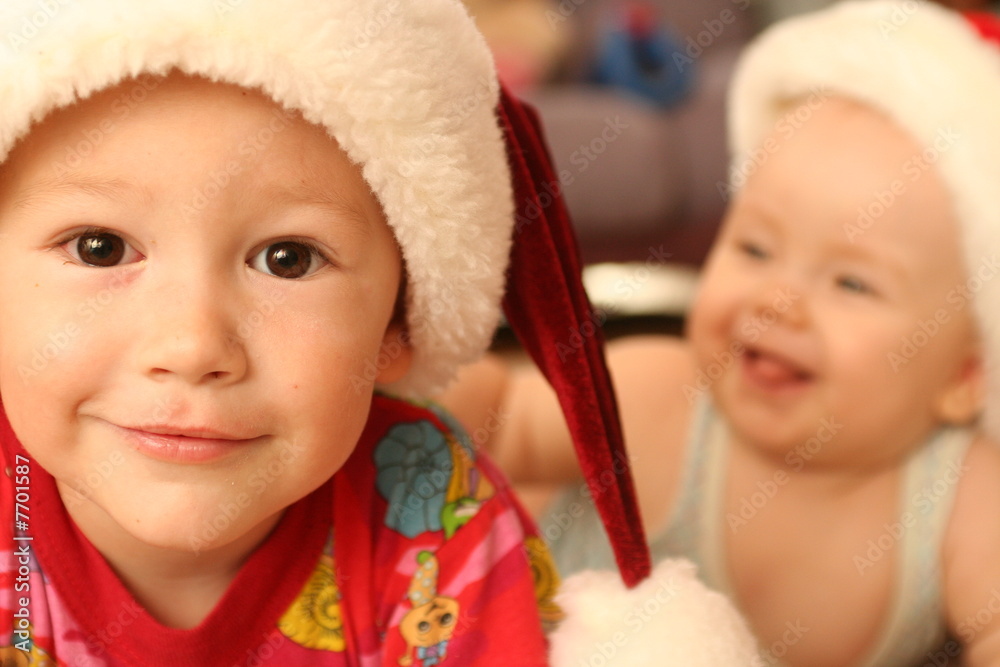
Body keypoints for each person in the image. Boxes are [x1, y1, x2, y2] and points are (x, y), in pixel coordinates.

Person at [0, 1, 683, 665]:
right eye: (98, 247)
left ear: (397, 324)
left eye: (288, 258)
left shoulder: (424, 510)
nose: (191, 345)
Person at [442, 2, 1000, 666]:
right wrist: (409, 383)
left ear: (966, 377)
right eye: (757, 249)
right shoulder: (663, 398)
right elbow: (497, 417)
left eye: (851, 284)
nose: (778, 300)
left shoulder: (958, 495)